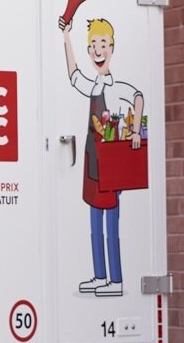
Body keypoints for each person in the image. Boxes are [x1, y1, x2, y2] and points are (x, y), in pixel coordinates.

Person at [58, 15, 144, 297]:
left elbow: (139, 97)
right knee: (94, 223)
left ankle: (116, 281)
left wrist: (134, 129)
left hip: (110, 164)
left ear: (112, 47)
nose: (98, 50)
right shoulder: (93, 86)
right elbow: (73, 76)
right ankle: (99, 275)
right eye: (93, 44)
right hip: (93, 162)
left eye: (103, 44)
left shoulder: (116, 87)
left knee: (111, 225)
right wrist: (66, 36)